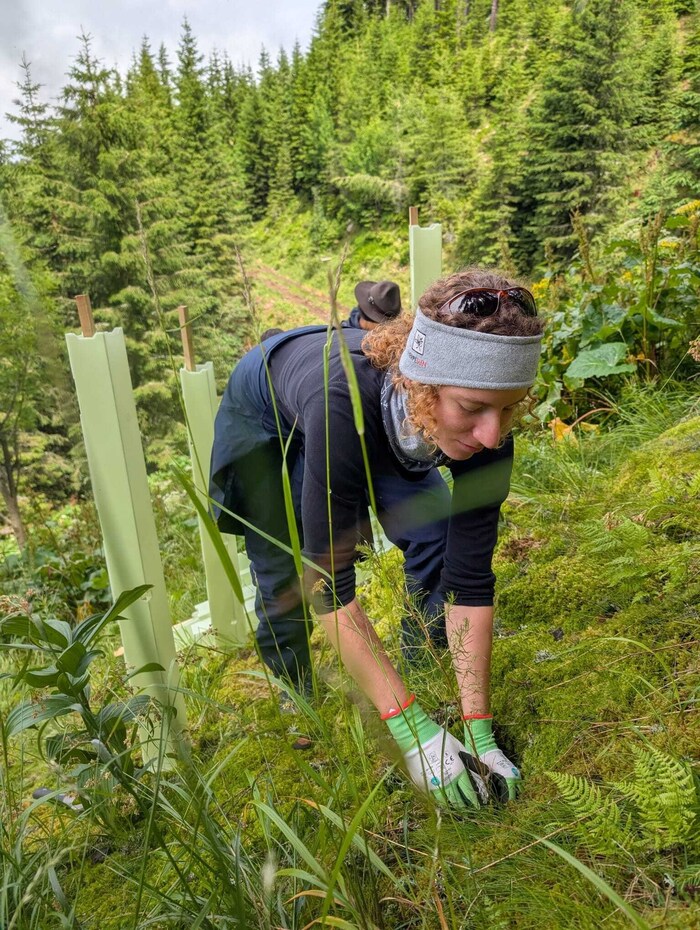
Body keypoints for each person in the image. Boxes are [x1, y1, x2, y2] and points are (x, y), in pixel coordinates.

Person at [210, 268, 543, 809]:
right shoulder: (341, 404)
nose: (491, 434)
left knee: (436, 538)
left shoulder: (485, 419)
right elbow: (327, 587)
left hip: (395, 423)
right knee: (285, 572)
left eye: (508, 408)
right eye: (472, 408)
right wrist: (408, 730)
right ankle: (296, 692)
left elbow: (471, 582)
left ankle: (420, 671)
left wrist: (477, 725)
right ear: (421, 386)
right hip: (270, 417)